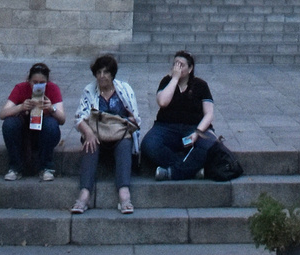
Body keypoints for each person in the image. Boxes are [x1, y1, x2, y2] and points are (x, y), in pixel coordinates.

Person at [72, 53, 142, 214]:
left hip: (119, 134)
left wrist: (123, 121)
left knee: (125, 143)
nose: (102, 76)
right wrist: (88, 133)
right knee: (90, 144)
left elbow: (135, 118)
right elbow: (79, 118)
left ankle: (124, 193)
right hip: (96, 134)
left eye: (106, 72)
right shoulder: (89, 90)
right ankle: (84, 194)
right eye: (99, 73)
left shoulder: (124, 89)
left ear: (112, 74)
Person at [140, 50, 216, 181]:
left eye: (181, 65)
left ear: (190, 68)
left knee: (209, 144)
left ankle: (171, 173)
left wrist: (197, 132)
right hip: (166, 127)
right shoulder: (166, 81)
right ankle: (190, 168)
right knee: (149, 144)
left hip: (193, 127)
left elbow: (208, 114)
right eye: (175, 64)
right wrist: (174, 78)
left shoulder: (201, 85)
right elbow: (163, 102)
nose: (177, 68)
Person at [0, 61, 65, 181]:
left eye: (42, 83)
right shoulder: (20, 88)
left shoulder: (53, 89)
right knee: (9, 124)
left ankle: (46, 167)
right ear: (29, 81)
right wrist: (20, 107)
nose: (38, 86)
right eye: (34, 82)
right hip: (24, 133)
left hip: (44, 134)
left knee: (51, 124)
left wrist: (51, 108)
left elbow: (62, 120)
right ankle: (15, 168)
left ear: (47, 82)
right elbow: (2, 114)